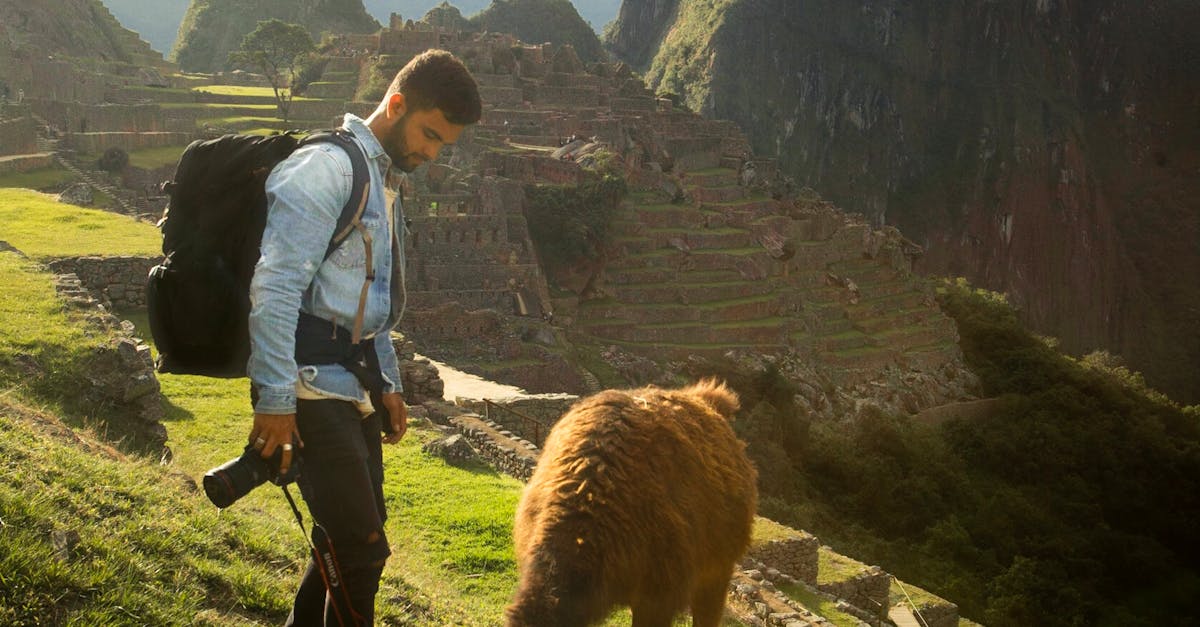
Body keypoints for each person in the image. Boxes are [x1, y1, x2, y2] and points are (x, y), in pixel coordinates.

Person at [246, 49, 481, 625]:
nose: (431, 151)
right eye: (429, 134)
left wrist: (390, 383)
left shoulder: (382, 180)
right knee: (362, 550)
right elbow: (274, 289)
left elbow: (366, 302)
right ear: (395, 105)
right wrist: (274, 401)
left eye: (443, 144)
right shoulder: (327, 170)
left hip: (351, 386)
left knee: (341, 542)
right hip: (307, 386)